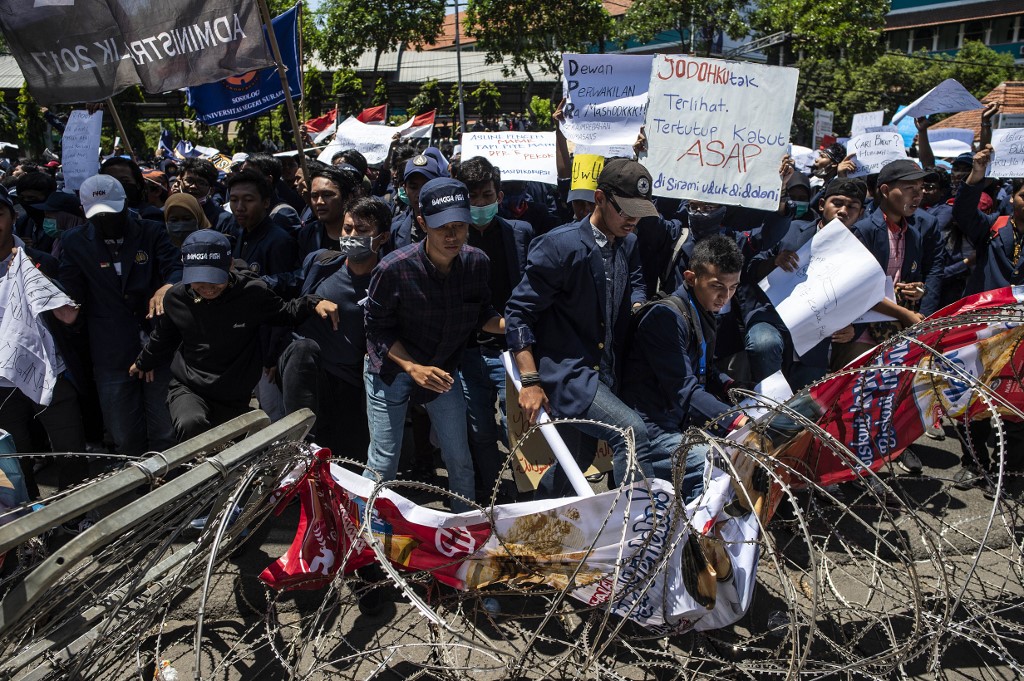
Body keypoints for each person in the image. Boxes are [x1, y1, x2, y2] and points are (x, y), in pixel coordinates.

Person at [505, 158, 657, 497]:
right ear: (600, 198)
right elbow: (518, 313)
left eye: (640, 211)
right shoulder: (559, 246)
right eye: (626, 210)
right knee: (631, 433)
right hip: (568, 374)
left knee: (577, 459)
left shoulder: (628, 242)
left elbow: (633, 286)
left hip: (605, 371)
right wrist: (529, 382)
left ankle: (537, 518)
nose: (632, 219)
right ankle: (640, 531)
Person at [363, 178, 504, 512]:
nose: (453, 236)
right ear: (423, 223)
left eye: (459, 226)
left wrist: (517, 326)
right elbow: (375, 331)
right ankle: (366, 536)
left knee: (459, 457)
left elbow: (484, 314)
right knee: (384, 460)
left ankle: (464, 527)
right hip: (390, 370)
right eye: (443, 228)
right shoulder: (392, 268)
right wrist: (412, 367)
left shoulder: (477, 263)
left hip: (441, 370)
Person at [132, 231, 338, 442]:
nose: (207, 288)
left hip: (234, 396)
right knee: (191, 424)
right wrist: (144, 361)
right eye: (199, 282)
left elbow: (286, 312)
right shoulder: (176, 298)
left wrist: (314, 302)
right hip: (190, 388)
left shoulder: (252, 292)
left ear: (230, 265)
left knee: (232, 456)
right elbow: (164, 336)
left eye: (214, 280)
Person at [58, 174, 180, 457]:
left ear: (125, 204)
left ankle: (171, 485)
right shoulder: (74, 242)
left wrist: (168, 286)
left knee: (165, 429)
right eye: (98, 216)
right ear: (83, 212)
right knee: (124, 435)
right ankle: (133, 488)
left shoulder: (151, 231)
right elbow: (71, 290)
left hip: (157, 343)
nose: (106, 221)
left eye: (112, 213)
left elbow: (174, 268)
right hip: (111, 351)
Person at [621, 235, 748, 500]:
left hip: (679, 421)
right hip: (652, 430)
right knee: (713, 467)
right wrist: (737, 420)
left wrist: (731, 387)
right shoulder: (664, 319)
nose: (725, 297)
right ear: (690, 278)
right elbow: (685, 391)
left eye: (733, 288)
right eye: (717, 287)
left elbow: (705, 368)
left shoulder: (701, 310)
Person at [844, 159, 944, 475]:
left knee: (888, 396)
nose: (918, 196)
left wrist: (913, 292)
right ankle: (850, 467)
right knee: (856, 398)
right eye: (910, 189)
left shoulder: (912, 232)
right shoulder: (863, 230)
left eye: (921, 189)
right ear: (885, 190)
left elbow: (903, 278)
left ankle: (886, 452)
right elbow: (860, 288)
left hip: (893, 327)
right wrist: (904, 311)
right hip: (861, 329)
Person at [279, 197, 392, 460]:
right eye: (347, 228)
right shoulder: (320, 263)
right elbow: (288, 299)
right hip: (311, 376)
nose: (351, 236)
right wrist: (312, 302)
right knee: (302, 349)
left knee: (347, 463)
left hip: (353, 384)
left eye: (362, 231)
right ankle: (297, 448)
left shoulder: (386, 281)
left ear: (383, 237)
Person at [453, 156, 533, 497]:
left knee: (520, 428)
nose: (480, 204)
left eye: (486, 195)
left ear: (499, 196)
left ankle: (531, 495)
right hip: (469, 350)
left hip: (512, 351)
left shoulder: (521, 234)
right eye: (472, 198)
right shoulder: (452, 239)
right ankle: (493, 493)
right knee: (480, 429)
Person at [949, 146, 1024, 490]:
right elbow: (964, 212)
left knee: (1014, 402)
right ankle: (974, 461)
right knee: (972, 398)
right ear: (1015, 198)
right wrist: (976, 176)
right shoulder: (993, 227)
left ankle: (1008, 469)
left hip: (1020, 337)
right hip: (983, 329)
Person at [744, 179, 867, 387]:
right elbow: (752, 268)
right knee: (764, 345)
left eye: (852, 206)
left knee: (800, 408)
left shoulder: (861, 250)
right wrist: (774, 262)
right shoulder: (789, 230)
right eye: (837, 203)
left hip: (815, 339)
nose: (843, 211)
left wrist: (855, 328)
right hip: (772, 319)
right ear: (822, 205)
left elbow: (867, 294)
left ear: (861, 213)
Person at [177, 158, 233, 233]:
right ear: (180, 182)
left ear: (211, 190)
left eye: (201, 183)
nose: (193, 186)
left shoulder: (224, 220)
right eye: (189, 181)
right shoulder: (167, 212)